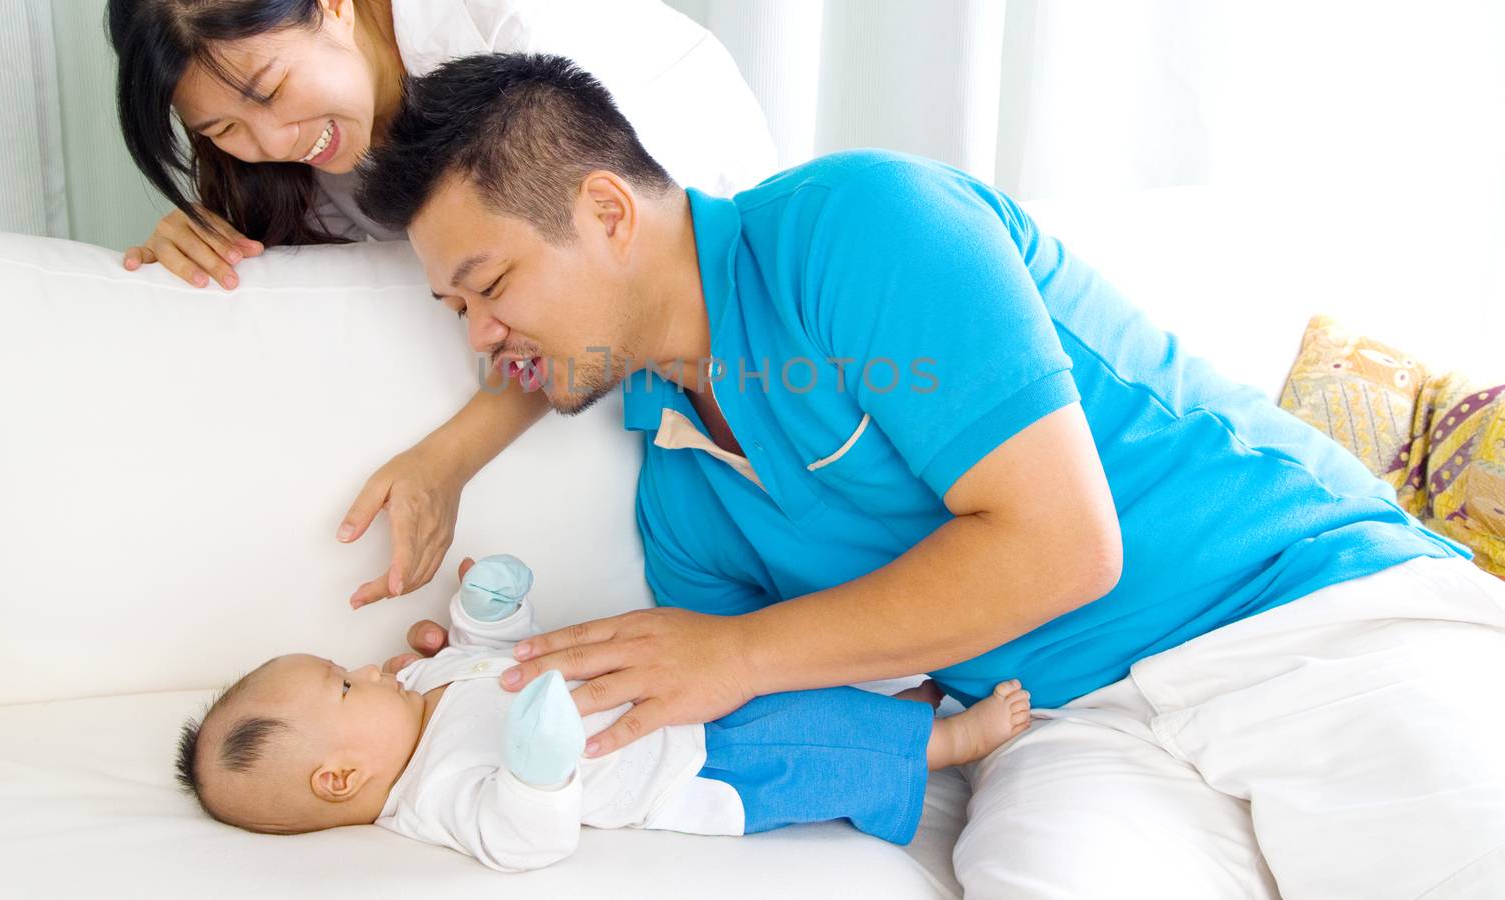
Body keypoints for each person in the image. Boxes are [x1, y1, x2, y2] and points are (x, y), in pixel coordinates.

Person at [357, 52, 1505, 898]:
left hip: (1298, 608)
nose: (478, 339)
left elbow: (1062, 543)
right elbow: (782, 712)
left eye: (488, 284)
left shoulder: (856, 224)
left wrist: (737, 651)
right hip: (1067, 729)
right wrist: (491, 689)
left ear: (605, 212)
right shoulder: (681, 497)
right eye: (455, 308)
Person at [105, 0, 775, 611]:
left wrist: (449, 458)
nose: (274, 140)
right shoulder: (300, 149)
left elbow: (611, 288)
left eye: (271, 92)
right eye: (225, 129)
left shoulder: (516, 20)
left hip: (732, 327)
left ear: (331, 2)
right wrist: (192, 240)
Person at [175, 554, 1031, 872]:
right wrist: (537, 768)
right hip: (688, 766)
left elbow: (506, 655)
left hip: (672, 685)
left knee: (798, 677)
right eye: (344, 684)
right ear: (340, 779)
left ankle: (906, 695)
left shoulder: (421, 689)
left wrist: (490, 612)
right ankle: (949, 742)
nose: (367, 666)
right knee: (812, 746)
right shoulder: (430, 797)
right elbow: (523, 839)